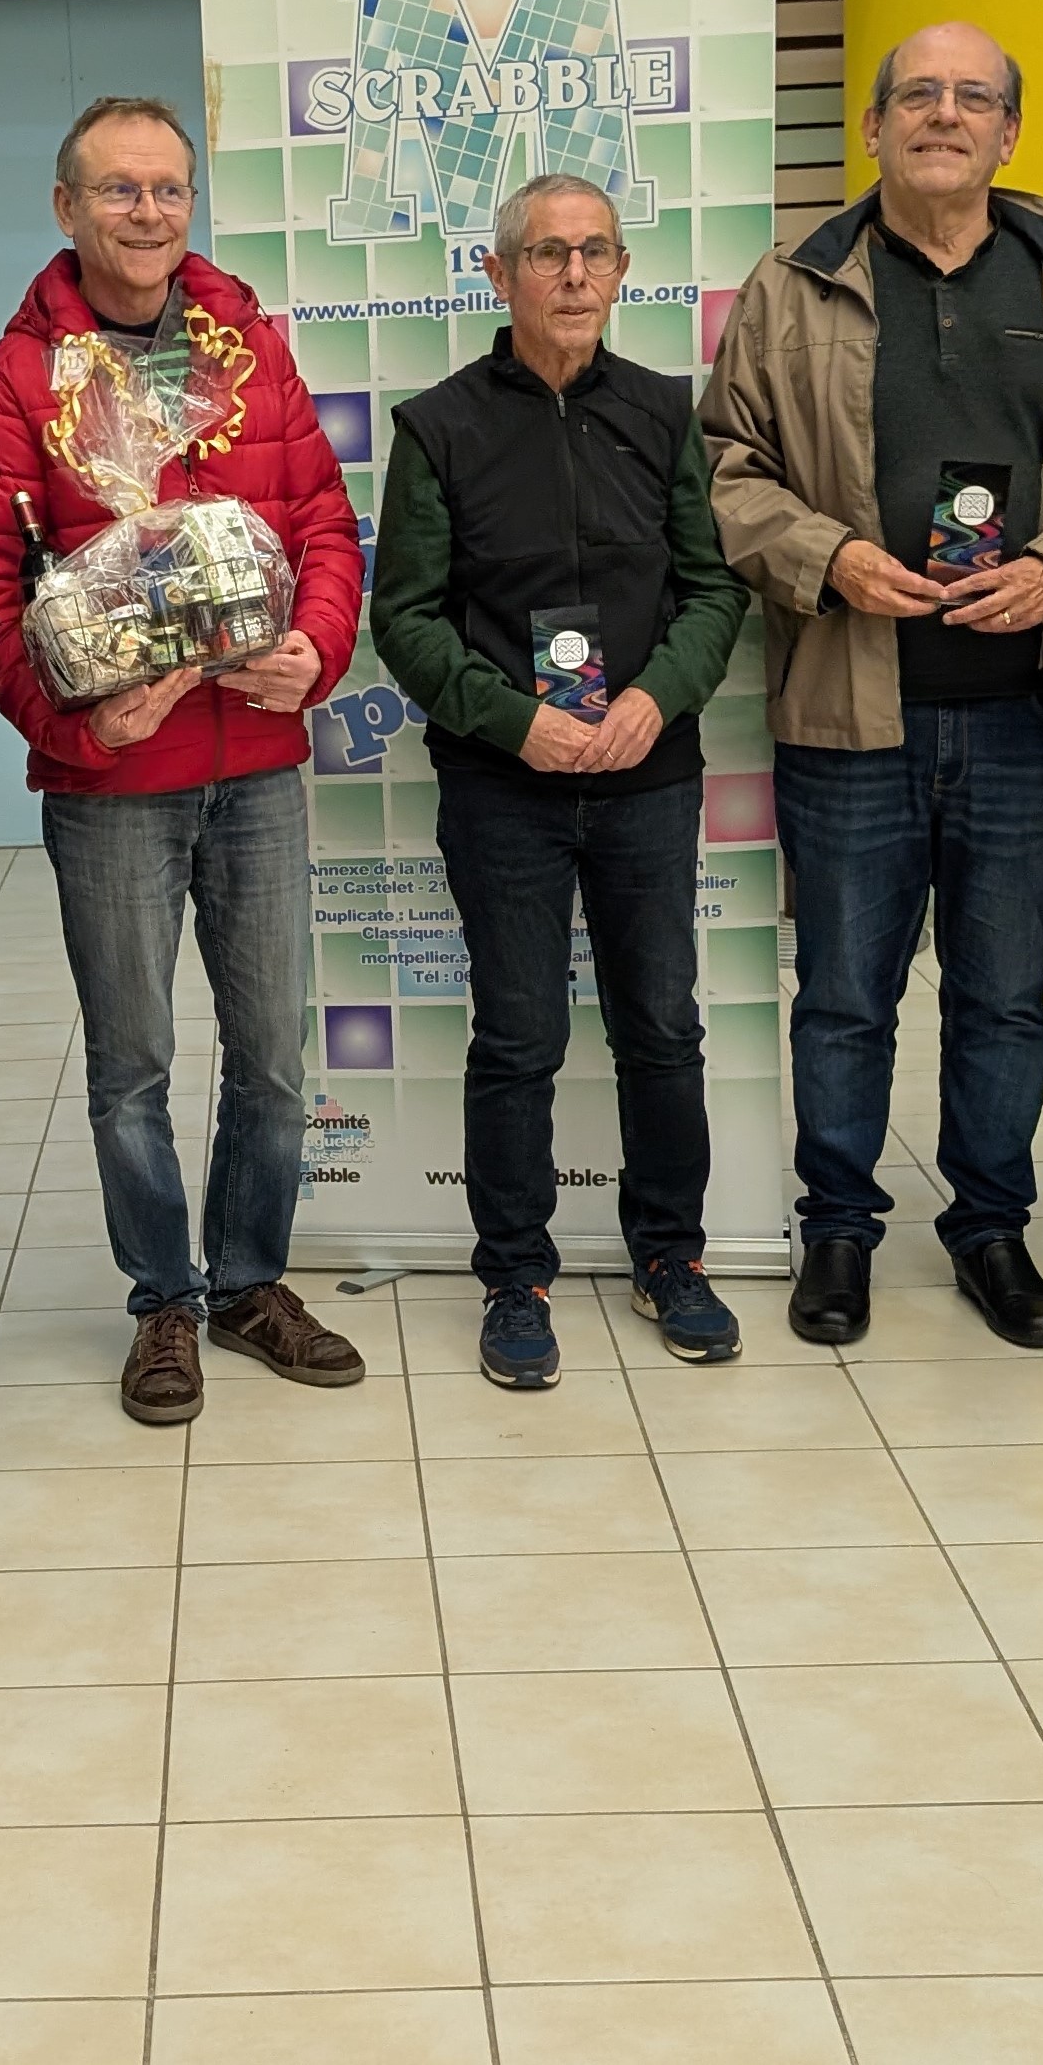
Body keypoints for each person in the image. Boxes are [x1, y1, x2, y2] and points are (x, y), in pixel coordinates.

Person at [702, 20, 1043, 1353]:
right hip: (850, 707)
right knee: (843, 996)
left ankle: (990, 1229)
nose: (943, 113)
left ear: (1008, 133)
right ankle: (838, 1229)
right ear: (872, 126)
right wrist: (828, 557)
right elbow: (727, 464)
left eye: (973, 97)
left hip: (1027, 704)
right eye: (917, 93)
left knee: (1004, 998)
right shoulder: (794, 281)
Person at [0, 94, 371, 1428]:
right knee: (130, 1063)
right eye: (117, 190)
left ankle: (248, 1281)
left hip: (255, 762)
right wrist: (80, 726)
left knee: (274, 1057)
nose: (147, 213)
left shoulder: (247, 346)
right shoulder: (16, 383)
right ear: (66, 207)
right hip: (113, 785)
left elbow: (323, 523)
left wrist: (314, 650)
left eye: (167, 189)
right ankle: (162, 1301)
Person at [368, 172, 755, 1390]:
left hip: (648, 773)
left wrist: (654, 698)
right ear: (498, 274)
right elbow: (405, 619)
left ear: (621, 269)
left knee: (662, 1029)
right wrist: (513, 722)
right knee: (517, 1035)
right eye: (547, 253)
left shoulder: (663, 411)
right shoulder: (437, 428)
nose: (574, 274)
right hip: (505, 785)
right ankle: (513, 1278)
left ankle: (670, 1258)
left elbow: (713, 589)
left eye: (594, 251)